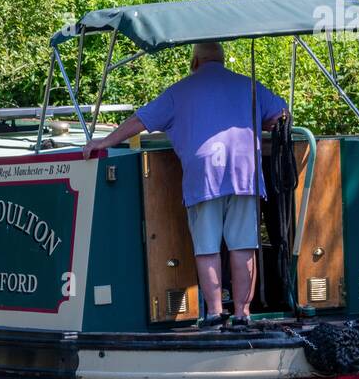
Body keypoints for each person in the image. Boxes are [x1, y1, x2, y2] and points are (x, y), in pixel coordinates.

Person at [82, 41, 288, 327]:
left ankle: (215, 313)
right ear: (223, 60)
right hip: (245, 172)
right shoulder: (249, 85)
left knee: (207, 247)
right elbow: (281, 115)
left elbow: (139, 121)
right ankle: (243, 314)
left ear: (195, 63)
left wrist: (104, 141)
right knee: (243, 246)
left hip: (204, 173)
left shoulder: (179, 91)